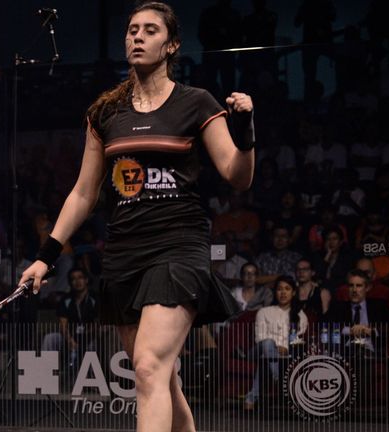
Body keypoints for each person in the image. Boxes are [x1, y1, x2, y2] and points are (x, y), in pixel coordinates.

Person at [19, 2, 254, 430]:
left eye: (149, 30)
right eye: (131, 30)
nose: (137, 37)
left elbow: (237, 176)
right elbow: (83, 193)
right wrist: (44, 256)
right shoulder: (106, 113)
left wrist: (248, 132)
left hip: (179, 248)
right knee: (163, 380)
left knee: (146, 368)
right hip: (125, 255)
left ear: (171, 45)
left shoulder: (196, 103)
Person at [244, 276, 307, 410]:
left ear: (293, 292)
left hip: (281, 355)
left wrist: (285, 348)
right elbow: (259, 337)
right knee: (267, 343)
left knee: (265, 361)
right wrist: (278, 347)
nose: (283, 293)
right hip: (258, 350)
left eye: (287, 289)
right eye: (279, 289)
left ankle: (251, 398)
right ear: (275, 292)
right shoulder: (264, 311)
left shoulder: (300, 315)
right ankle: (279, 380)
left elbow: (298, 340)